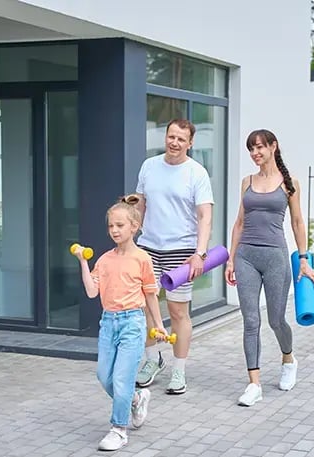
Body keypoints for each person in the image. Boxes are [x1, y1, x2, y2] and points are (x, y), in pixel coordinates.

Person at [225, 129, 314, 407]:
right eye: (251, 149)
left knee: (276, 320)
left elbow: (297, 222)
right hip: (246, 257)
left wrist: (303, 259)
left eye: (259, 147)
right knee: (251, 320)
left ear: (273, 147)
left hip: (275, 257)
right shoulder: (247, 182)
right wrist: (231, 259)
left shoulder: (289, 183)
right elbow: (239, 223)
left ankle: (288, 359)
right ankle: (254, 384)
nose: (255, 153)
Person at [74, 194, 168, 451]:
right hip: (108, 323)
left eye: (119, 225)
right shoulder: (104, 260)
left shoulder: (142, 259)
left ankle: (119, 429)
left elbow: (150, 294)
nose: (114, 230)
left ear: (134, 227)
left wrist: (158, 325)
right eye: (110, 226)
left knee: (122, 378)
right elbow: (92, 291)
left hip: (132, 323)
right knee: (104, 376)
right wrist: (83, 262)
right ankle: (136, 399)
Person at [134, 119, 214, 395]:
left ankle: (178, 370)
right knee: (145, 307)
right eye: (171, 136)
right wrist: (131, 235)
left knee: (178, 311)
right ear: (166, 137)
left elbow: (205, 216)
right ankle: (152, 359)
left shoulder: (197, 173)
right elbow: (140, 204)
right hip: (147, 248)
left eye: (181, 139)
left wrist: (199, 253)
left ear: (190, 143)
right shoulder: (149, 166)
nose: (174, 142)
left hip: (181, 252)